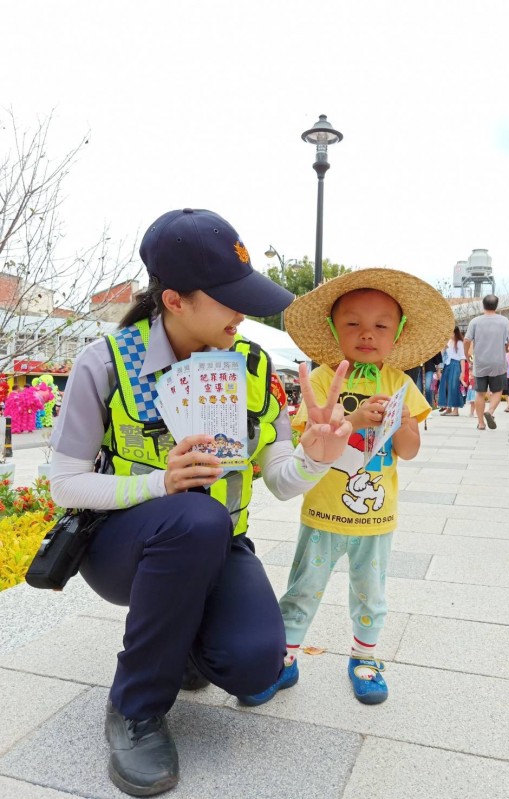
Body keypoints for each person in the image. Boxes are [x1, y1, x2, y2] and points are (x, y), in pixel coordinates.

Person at [49, 208, 354, 797]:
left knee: (256, 666)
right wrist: (158, 484)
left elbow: (279, 479)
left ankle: (183, 639)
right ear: (175, 300)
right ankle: (134, 709)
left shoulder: (255, 366)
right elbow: (64, 481)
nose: (243, 312)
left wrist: (316, 455)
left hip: (218, 543)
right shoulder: (108, 363)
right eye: (227, 297)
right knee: (194, 515)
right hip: (124, 545)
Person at [237, 268, 453, 707]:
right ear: (335, 330)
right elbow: (309, 438)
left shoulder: (401, 384)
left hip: (376, 517)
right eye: (352, 323)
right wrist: (353, 421)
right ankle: (287, 657)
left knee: (370, 592)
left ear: (399, 333)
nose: (367, 334)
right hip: (323, 512)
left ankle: (365, 659)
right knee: (302, 587)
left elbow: (409, 451)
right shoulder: (321, 380)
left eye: (380, 325)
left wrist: (403, 420)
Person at [463, 295, 509, 431]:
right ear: (497, 306)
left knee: (479, 392)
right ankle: (489, 412)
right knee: (497, 390)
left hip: (480, 362)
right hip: (498, 362)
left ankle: (481, 423)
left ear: (483, 305)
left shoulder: (475, 321)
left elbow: (466, 340)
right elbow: (508, 341)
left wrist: (467, 354)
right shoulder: (504, 321)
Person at [438, 326, 466, 416]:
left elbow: (462, 358)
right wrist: (443, 348)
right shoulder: (448, 342)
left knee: (454, 386)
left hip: (455, 365)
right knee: (445, 386)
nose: (449, 334)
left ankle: (456, 410)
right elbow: (442, 356)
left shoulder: (459, 343)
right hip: (447, 365)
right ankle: (448, 408)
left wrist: (463, 372)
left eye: (451, 332)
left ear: (455, 333)